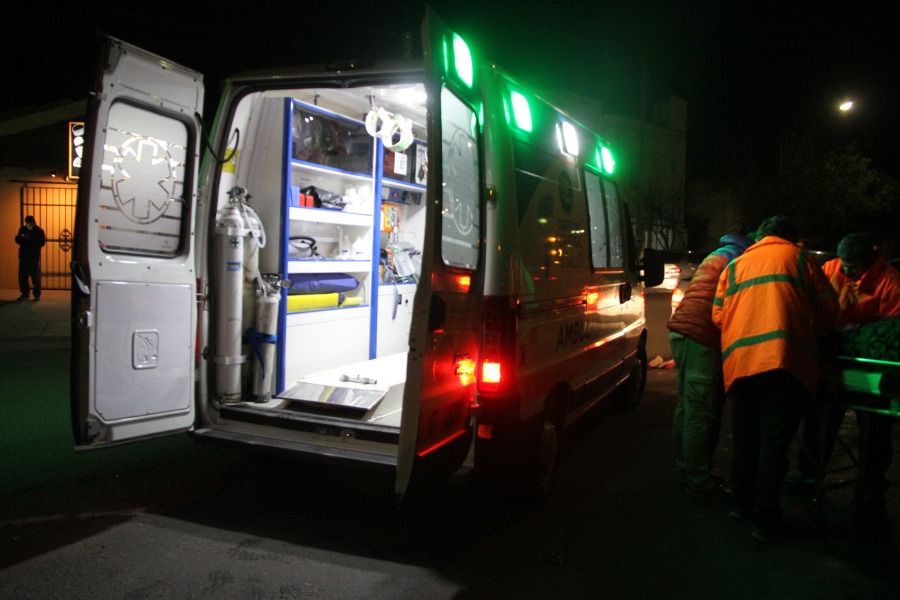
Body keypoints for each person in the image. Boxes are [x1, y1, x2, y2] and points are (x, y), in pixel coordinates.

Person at [712, 215, 838, 542]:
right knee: (773, 444)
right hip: (784, 365)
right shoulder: (801, 260)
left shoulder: (735, 266)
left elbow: (718, 316)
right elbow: (829, 310)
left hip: (741, 367)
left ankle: (742, 506)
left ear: (761, 236)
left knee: (746, 441)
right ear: (792, 238)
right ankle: (767, 521)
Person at [794, 233, 900, 539]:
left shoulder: (890, 282)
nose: (846, 271)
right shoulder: (831, 269)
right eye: (844, 264)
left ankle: (871, 486)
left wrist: (857, 332)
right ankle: (808, 471)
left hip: (870, 372)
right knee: (819, 421)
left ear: (869, 262)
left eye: (852, 267)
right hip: (831, 364)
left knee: (875, 432)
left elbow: (890, 336)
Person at [668, 232, 754, 502]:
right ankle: (698, 480)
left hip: (682, 331)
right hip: (701, 336)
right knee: (700, 411)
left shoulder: (719, 255)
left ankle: (686, 471)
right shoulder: (740, 260)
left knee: (686, 406)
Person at [15, 215, 46, 301]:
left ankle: (36, 294)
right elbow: (18, 240)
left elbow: (42, 243)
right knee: (23, 276)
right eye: (27, 223)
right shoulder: (23, 229)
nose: (28, 224)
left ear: (33, 222)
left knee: (35, 276)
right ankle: (25, 293)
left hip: (33, 256)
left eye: (29, 223)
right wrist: (20, 238)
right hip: (24, 256)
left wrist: (30, 239)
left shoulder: (39, 231)